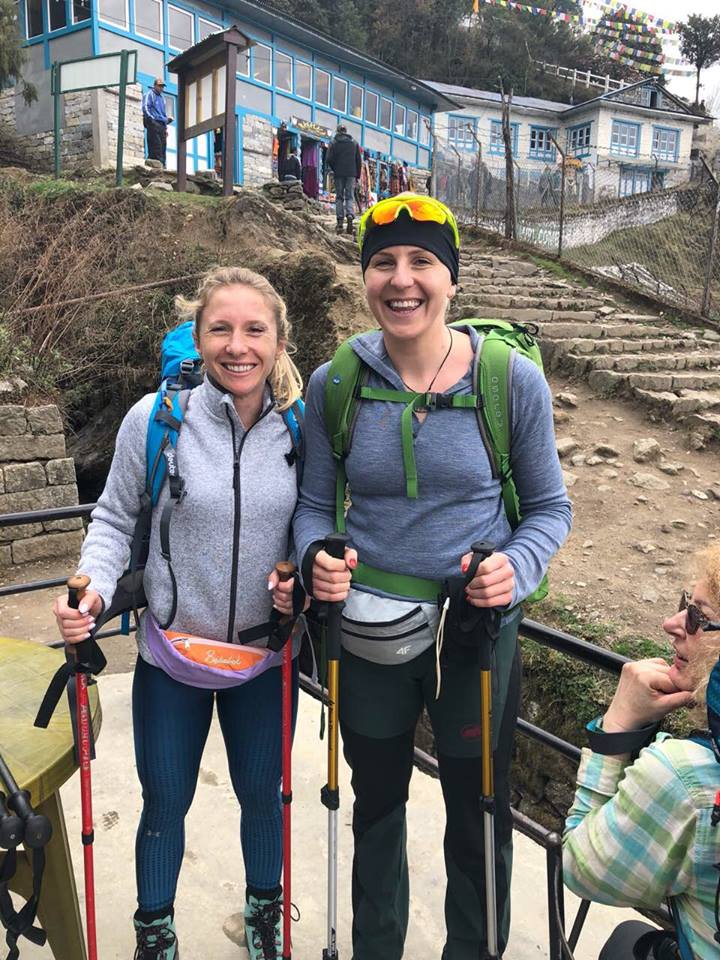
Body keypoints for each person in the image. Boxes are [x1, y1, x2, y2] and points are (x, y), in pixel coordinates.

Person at [285, 193, 572, 959]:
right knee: (377, 806)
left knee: (478, 812)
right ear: (365, 277)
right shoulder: (334, 385)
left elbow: (550, 508)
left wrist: (516, 566)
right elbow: (313, 506)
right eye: (383, 262)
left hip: (475, 638)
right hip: (369, 638)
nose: (401, 279)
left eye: (422, 262)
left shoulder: (510, 382)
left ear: (452, 279)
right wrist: (316, 559)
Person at [52, 266, 304, 960]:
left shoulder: (301, 429)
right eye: (220, 328)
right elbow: (113, 518)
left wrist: (304, 587)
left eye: (254, 330)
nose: (237, 345)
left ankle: (264, 918)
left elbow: (315, 527)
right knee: (164, 804)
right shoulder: (155, 420)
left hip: (264, 660)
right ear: (199, 336)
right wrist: (94, 588)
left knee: (265, 798)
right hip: (172, 655)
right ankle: (155, 934)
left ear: (279, 342)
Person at [563, 543, 720, 960]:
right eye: (685, 605)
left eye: (698, 617)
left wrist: (618, 723)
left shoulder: (685, 778)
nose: (671, 623)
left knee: (626, 941)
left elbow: (580, 867)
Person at [327, 123, 361, 235]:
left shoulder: (333, 143)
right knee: (349, 196)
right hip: (351, 173)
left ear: (337, 131)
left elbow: (329, 159)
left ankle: (340, 222)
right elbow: (358, 161)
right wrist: (357, 175)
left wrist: (335, 168)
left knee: (339, 197)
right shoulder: (354, 143)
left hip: (339, 173)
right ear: (346, 132)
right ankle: (350, 215)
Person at [143, 78, 172, 167]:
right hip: (153, 122)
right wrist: (151, 119)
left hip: (161, 124)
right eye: (159, 86)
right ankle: (156, 163)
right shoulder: (149, 94)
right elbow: (146, 107)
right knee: (155, 144)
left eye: (162, 86)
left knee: (163, 145)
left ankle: (162, 164)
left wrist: (166, 124)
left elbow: (163, 112)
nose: (161, 88)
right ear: (155, 86)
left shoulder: (162, 98)